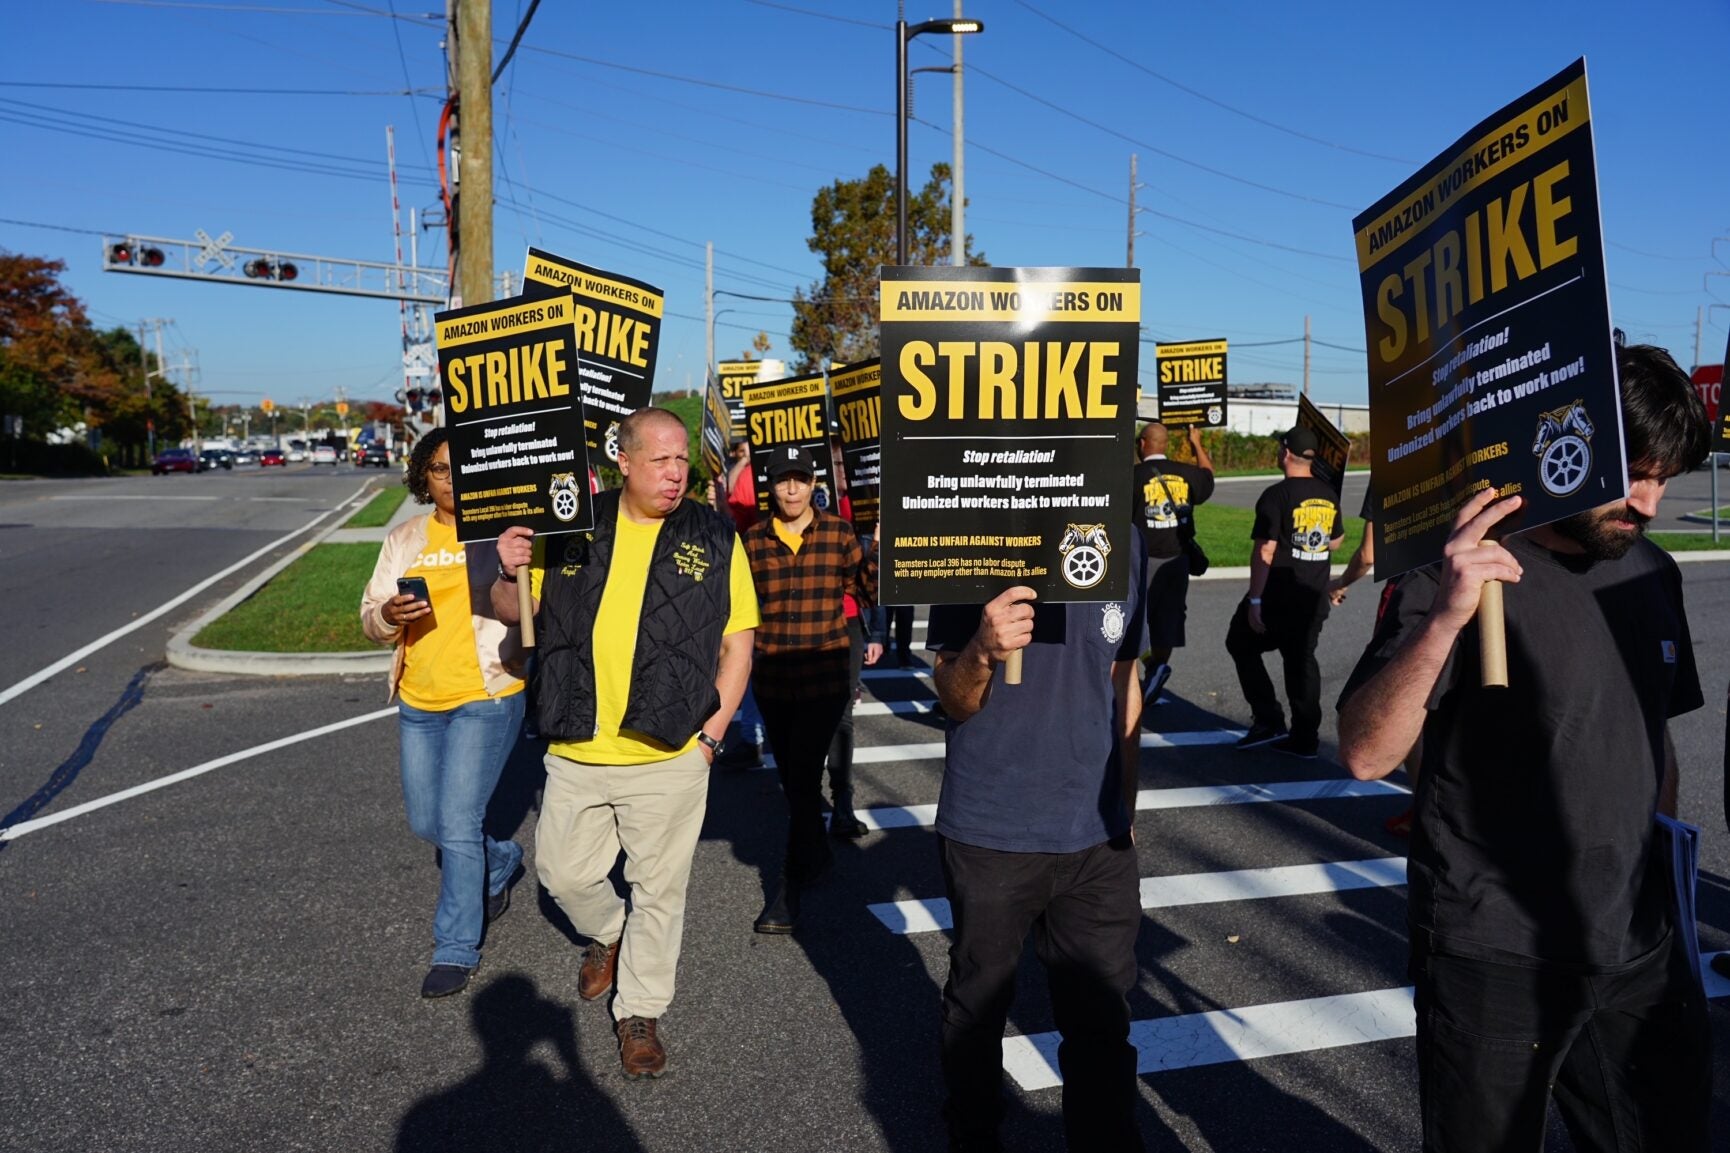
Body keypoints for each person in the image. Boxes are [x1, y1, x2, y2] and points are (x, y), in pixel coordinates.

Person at [1337, 343, 1711, 1152]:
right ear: (1568, 441)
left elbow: (1656, 739)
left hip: (1638, 942)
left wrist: (1665, 889)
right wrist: (1446, 620)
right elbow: (1365, 751)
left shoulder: (1652, 572)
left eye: (1665, 478)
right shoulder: (1460, 573)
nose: (1649, 502)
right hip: (1495, 951)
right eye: (1634, 472)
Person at [493, 407, 758, 1080]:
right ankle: (608, 930)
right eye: (662, 461)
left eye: (683, 464)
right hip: (577, 746)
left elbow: (738, 643)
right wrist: (509, 570)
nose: (676, 475)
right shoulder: (573, 524)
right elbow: (513, 611)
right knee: (560, 872)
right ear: (626, 461)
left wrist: (710, 736)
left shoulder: (715, 535)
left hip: (670, 753)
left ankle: (639, 1010)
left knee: (660, 892)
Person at [927, 538, 1148, 1152]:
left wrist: (1124, 802)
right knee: (980, 1004)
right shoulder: (978, 530)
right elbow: (952, 695)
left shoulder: (1124, 539)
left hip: (1096, 836)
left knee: (1102, 1018)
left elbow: (1123, 677)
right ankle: (973, 1135)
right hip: (993, 829)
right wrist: (984, 649)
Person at [360, 429, 527, 999]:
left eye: (463, 468)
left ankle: (455, 947)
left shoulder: (504, 533)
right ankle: (501, 861)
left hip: (486, 692)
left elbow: (529, 607)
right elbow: (369, 614)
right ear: (423, 478)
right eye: (439, 469)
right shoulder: (405, 537)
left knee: (457, 824)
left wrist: (511, 568)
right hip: (419, 700)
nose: (452, 478)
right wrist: (389, 612)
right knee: (427, 823)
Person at [743, 445, 878, 933]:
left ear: (813, 481)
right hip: (774, 676)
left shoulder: (839, 532)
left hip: (825, 676)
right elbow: (737, 605)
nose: (792, 488)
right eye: (783, 480)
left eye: (800, 478)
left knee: (800, 779)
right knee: (793, 778)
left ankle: (786, 886)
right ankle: (817, 855)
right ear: (771, 486)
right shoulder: (753, 539)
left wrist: (878, 550)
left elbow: (866, 593)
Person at [1225, 427, 1343, 757]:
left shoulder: (1276, 495)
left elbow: (1265, 550)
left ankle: (1268, 719)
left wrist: (1255, 600)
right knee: (1301, 660)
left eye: (1280, 447)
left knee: (1239, 642)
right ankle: (1305, 738)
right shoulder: (1328, 494)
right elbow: (1335, 541)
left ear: (1286, 452)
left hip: (1278, 593)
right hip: (1312, 594)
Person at [825, 437, 884, 840]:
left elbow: (874, 584)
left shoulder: (867, 508)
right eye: (835, 464)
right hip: (809, 627)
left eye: (846, 464)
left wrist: (875, 631)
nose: (842, 471)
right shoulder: (817, 507)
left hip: (848, 624)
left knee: (841, 719)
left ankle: (842, 803)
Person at [1131, 421, 1215, 706]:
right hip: (1176, 559)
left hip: (1141, 559)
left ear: (1143, 444)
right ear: (1165, 444)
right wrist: (1195, 443)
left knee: (1132, 618)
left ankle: (1150, 668)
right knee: (1168, 618)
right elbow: (1209, 477)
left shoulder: (1134, 475)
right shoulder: (1188, 473)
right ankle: (1156, 669)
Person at [715, 437, 770, 769]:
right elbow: (729, 513)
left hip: (776, 568)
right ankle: (752, 738)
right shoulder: (741, 472)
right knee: (745, 655)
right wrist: (740, 464)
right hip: (749, 570)